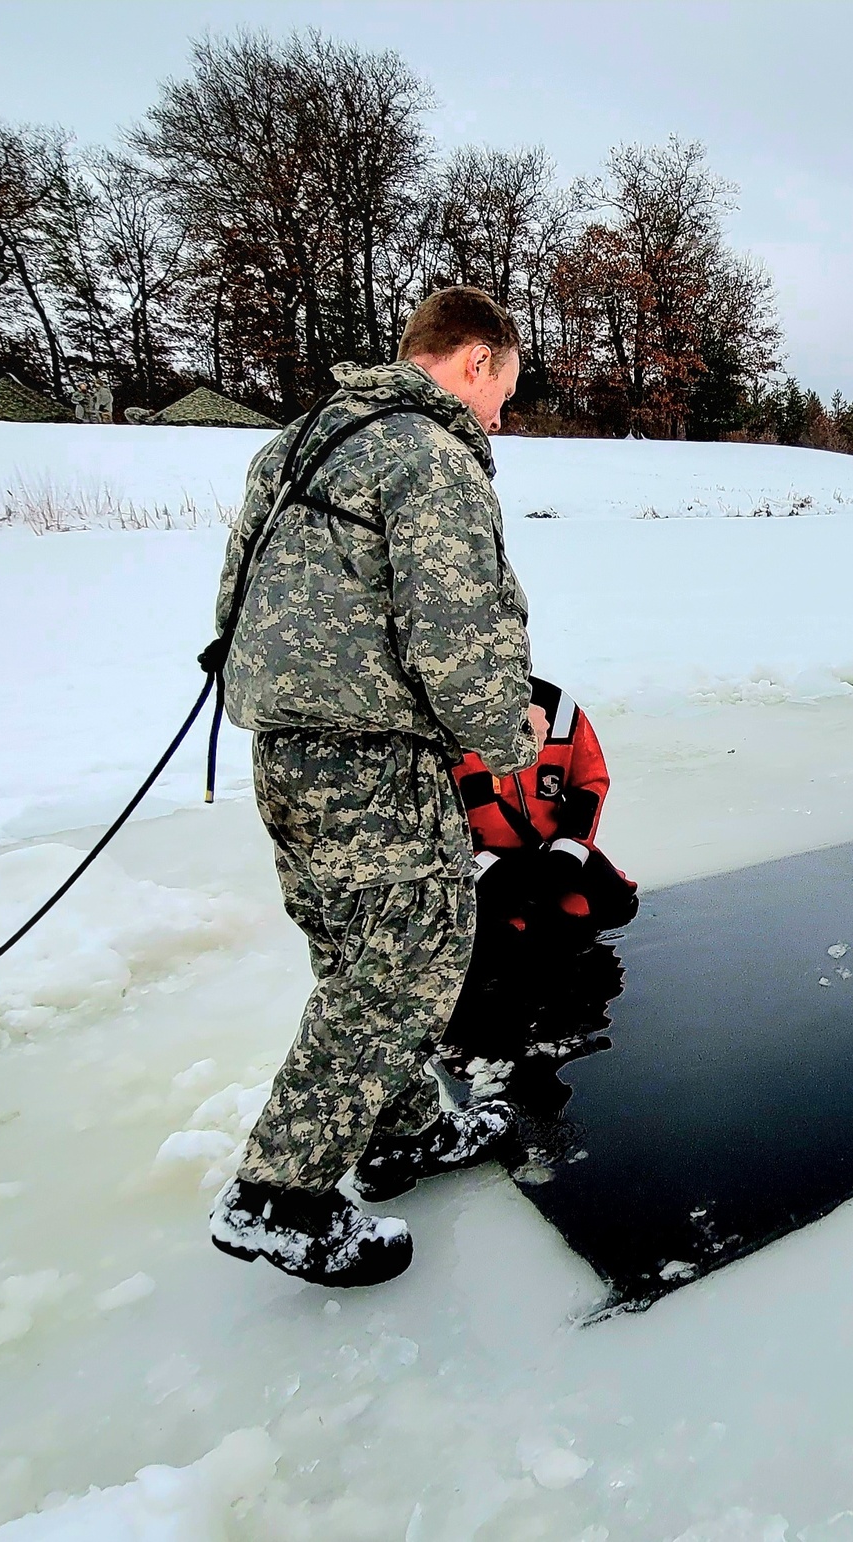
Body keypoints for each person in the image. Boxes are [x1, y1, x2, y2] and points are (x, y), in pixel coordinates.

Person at [207, 287, 548, 1287]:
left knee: (358, 957)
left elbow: (234, 594)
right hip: (371, 760)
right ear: (476, 361)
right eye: (504, 393)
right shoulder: (428, 456)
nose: (500, 418)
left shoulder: (300, 441)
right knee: (405, 964)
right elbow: (451, 629)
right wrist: (506, 730)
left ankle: (397, 1135)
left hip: (287, 752)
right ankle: (276, 1195)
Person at [452, 675, 638, 949]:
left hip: (550, 849)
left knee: (614, 905)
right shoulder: (442, 715)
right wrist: (483, 868)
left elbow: (590, 781)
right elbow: (429, 813)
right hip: (479, 860)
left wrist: (569, 850)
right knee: (503, 936)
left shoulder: (560, 710)